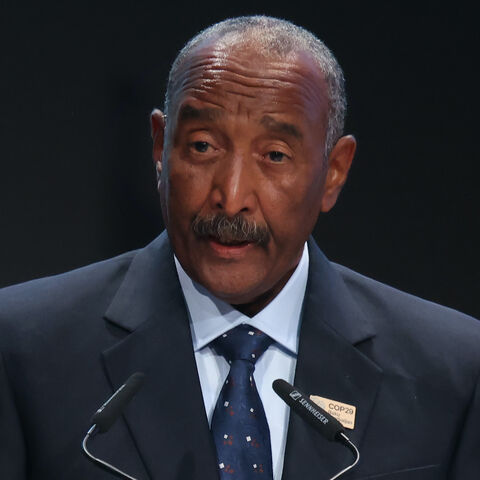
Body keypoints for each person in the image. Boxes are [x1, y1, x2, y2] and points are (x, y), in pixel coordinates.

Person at [0, 15, 479, 480]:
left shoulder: (452, 375)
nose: (231, 197)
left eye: (274, 156)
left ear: (334, 171)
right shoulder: (23, 350)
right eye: (203, 146)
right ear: (159, 148)